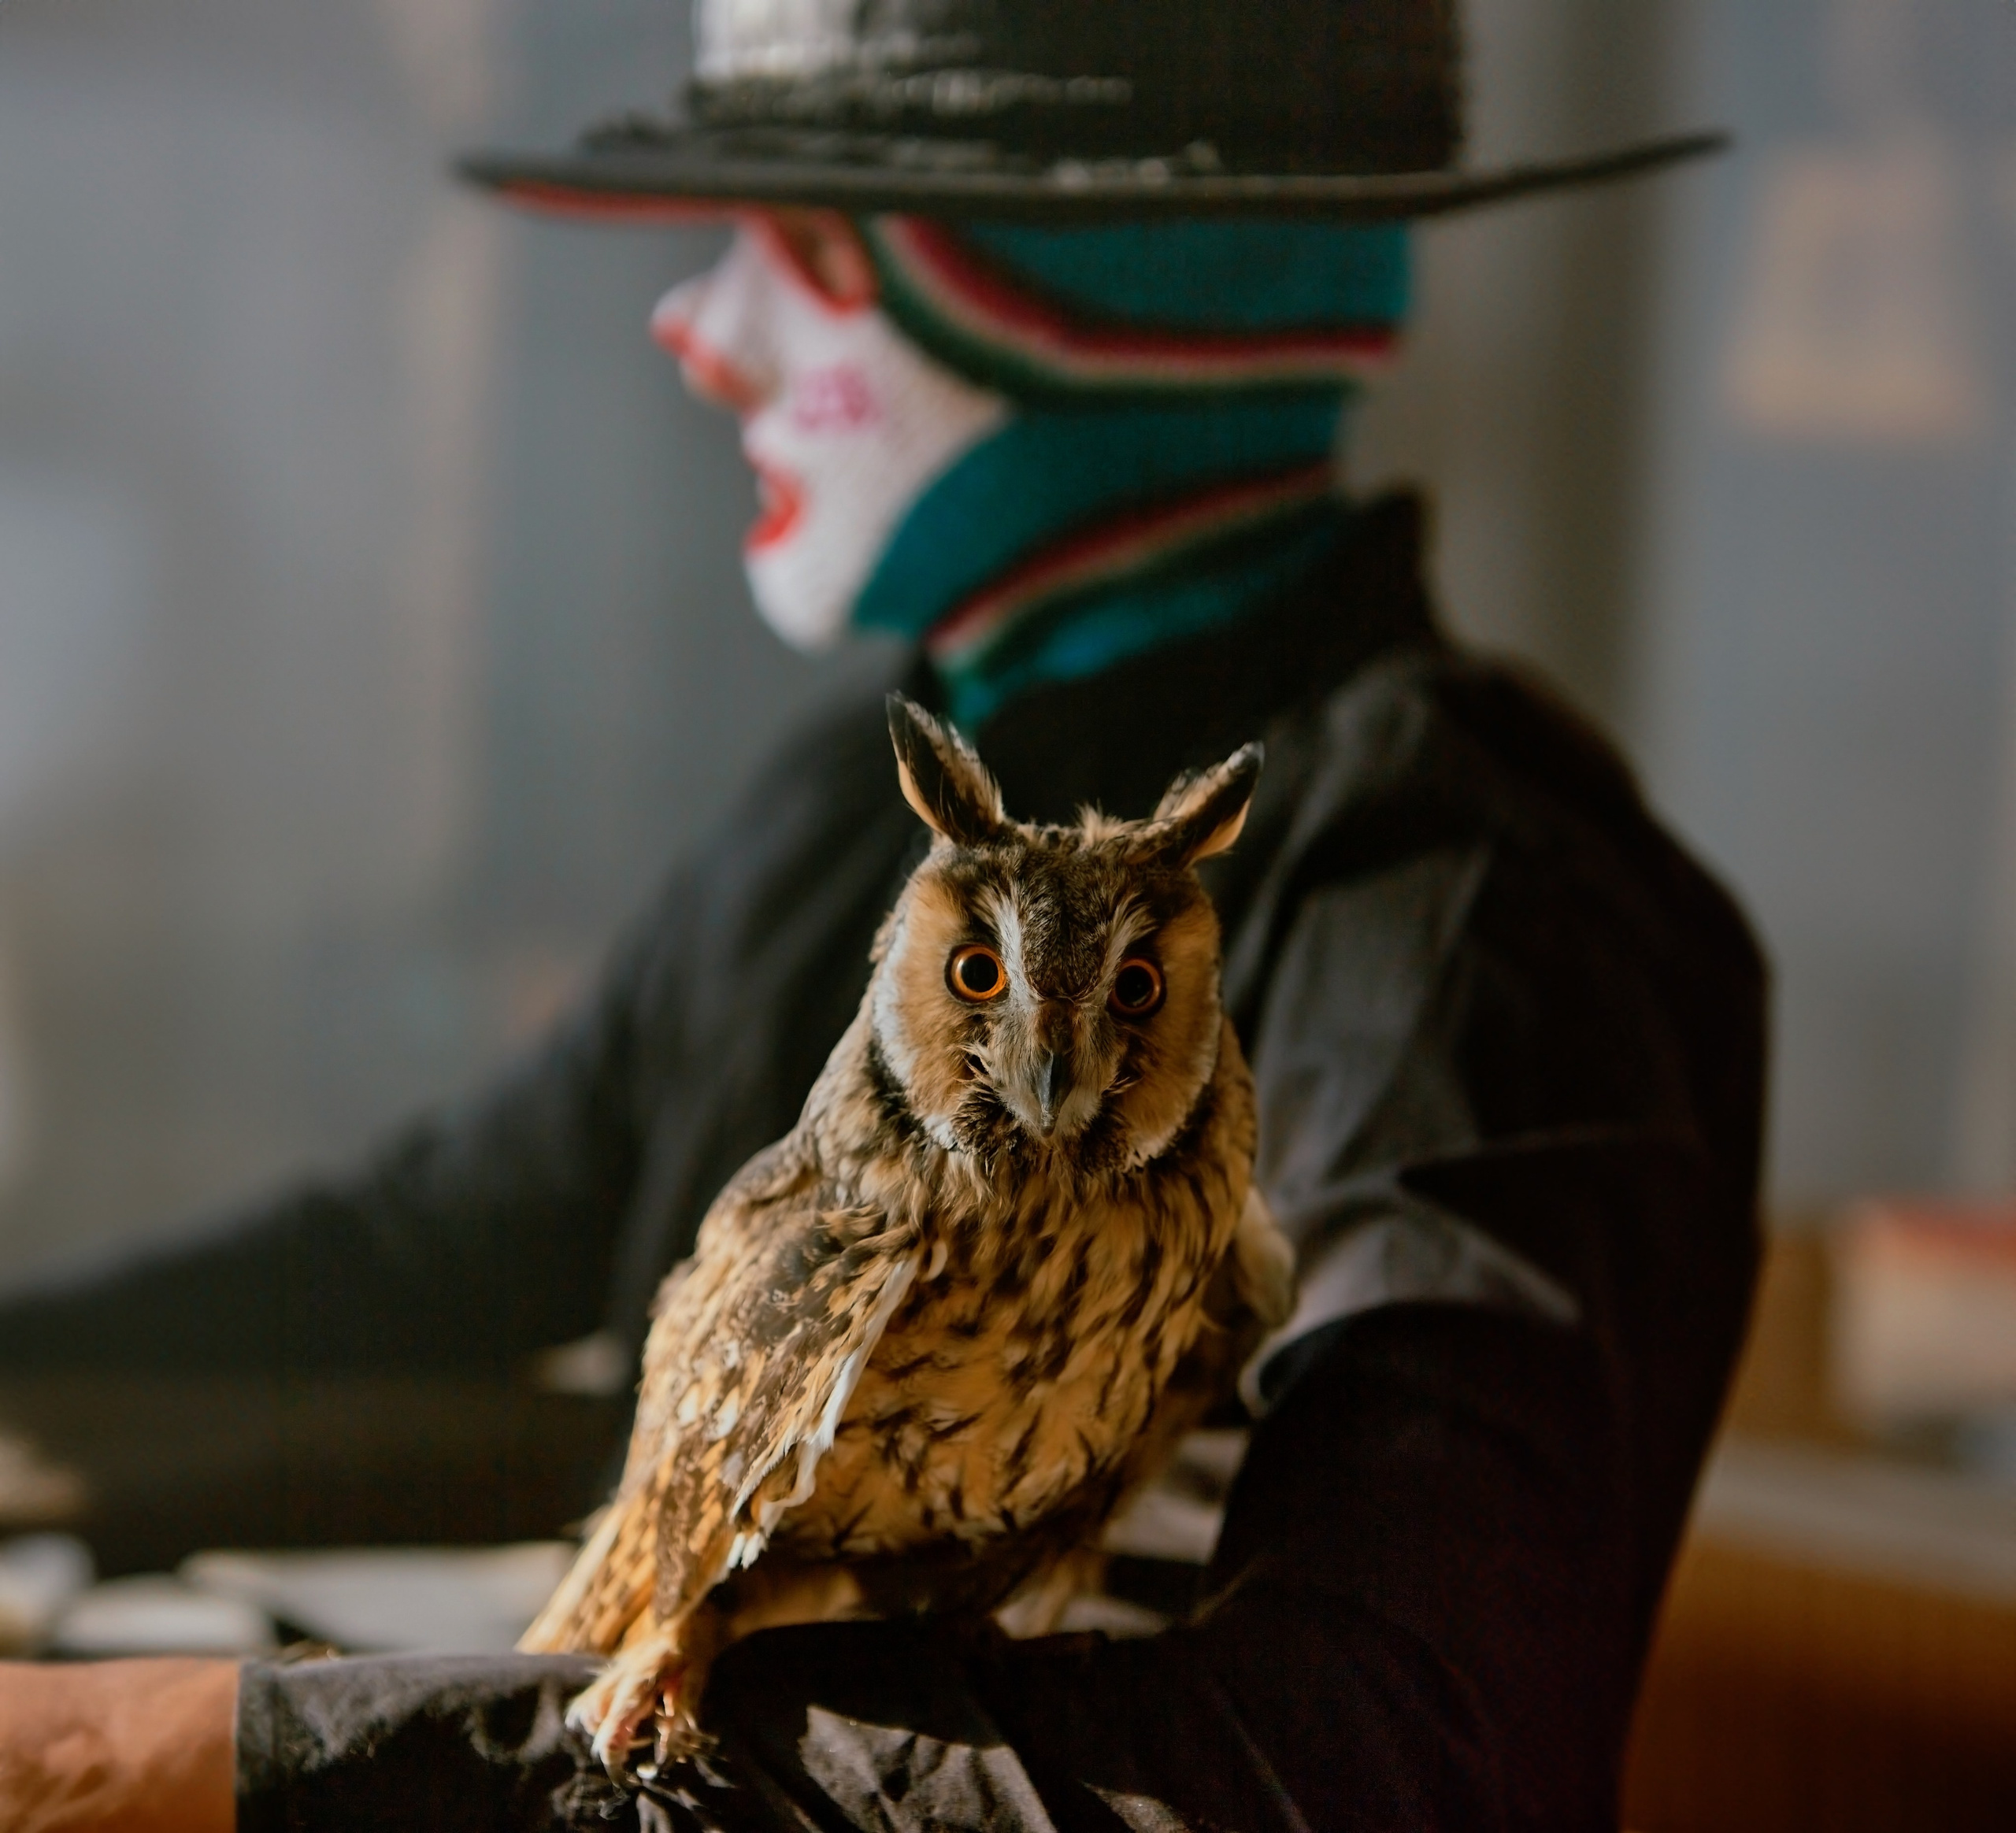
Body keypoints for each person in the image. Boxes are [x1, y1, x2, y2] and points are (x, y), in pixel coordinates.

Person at [0, 3, 1764, 1827]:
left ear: (1095, 283)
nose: (700, 338)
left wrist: (210, 1759)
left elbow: (1368, 1770)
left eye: (814, 245)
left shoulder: (1470, 912)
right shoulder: (867, 809)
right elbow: (444, 1239)